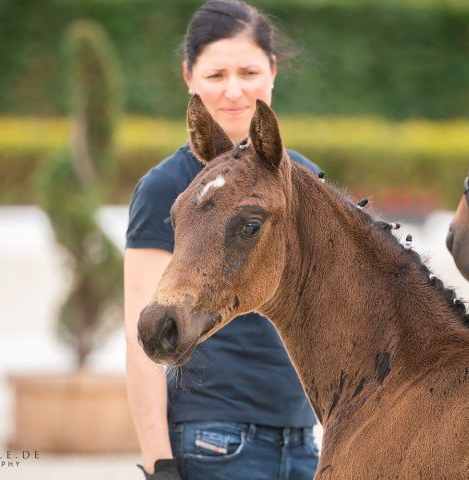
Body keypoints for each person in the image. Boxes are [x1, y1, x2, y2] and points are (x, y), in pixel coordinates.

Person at [124, 2, 321, 479]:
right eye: (215, 75)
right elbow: (142, 338)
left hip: (304, 440)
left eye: (249, 71)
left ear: (273, 73)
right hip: (213, 442)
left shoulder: (306, 180)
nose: (234, 90)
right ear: (188, 76)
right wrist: (159, 462)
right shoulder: (164, 188)